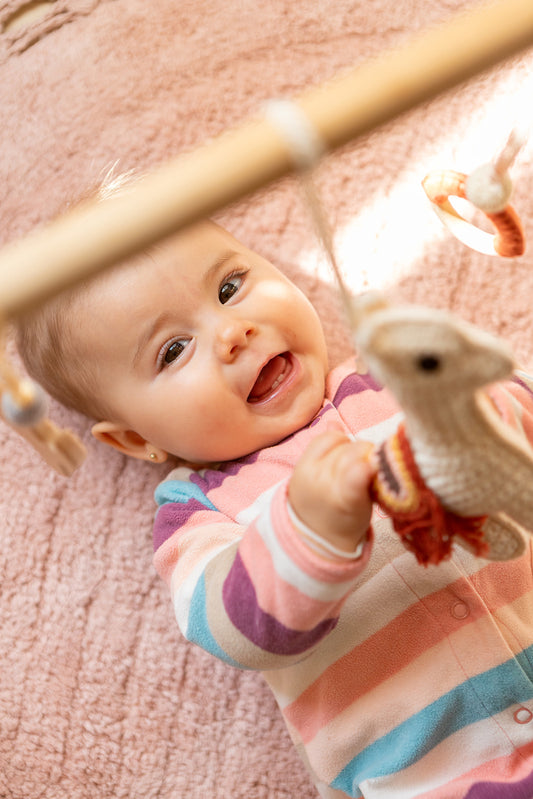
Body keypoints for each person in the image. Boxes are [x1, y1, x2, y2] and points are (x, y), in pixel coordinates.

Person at [16, 212, 533, 798]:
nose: (232, 332)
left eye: (229, 288)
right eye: (174, 350)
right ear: (137, 440)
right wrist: (308, 534)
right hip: (434, 778)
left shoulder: (399, 375)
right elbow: (237, 630)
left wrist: (490, 406)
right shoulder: (198, 515)